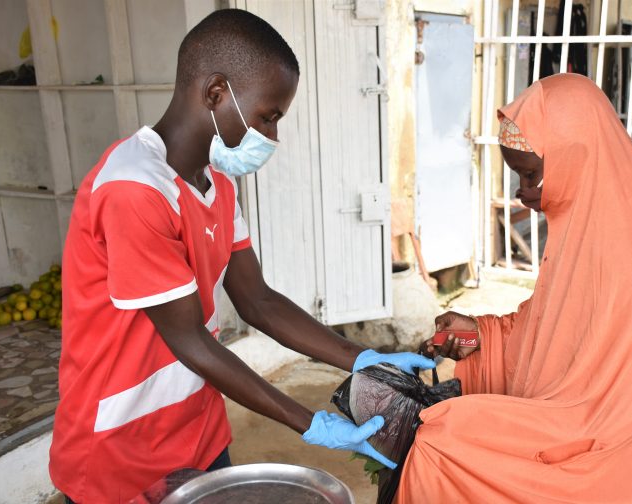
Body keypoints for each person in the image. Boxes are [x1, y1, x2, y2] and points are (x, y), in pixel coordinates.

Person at [48, 10, 434, 503]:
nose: (271, 137)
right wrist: (309, 422)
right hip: (120, 447)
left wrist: (363, 360)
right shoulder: (135, 189)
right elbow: (190, 340)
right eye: (267, 116)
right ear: (215, 93)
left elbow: (258, 302)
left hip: (197, 429)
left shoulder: (219, 186)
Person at [400, 74, 632, 502]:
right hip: (581, 423)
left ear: (575, 155)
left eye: (532, 174)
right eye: (518, 177)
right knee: (445, 434)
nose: (524, 192)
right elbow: (552, 326)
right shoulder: (588, 221)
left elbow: (619, 411)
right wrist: (481, 333)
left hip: (627, 452)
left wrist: (517, 425)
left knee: (440, 447)